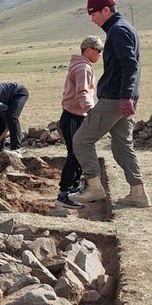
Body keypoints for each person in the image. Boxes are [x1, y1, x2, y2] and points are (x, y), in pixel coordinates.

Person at [70, 0, 151, 208]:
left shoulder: (118, 30)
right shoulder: (123, 28)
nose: (92, 19)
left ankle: (94, 187)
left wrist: (126, 96)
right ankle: (138, 193)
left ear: (106, 10)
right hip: (123, 98)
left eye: (94, 14)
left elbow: (130, 64)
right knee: (122, 146)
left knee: (81, 139)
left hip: (116, 99)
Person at [56, 35, 103, 209]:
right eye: (98, 51)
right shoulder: (83, 68)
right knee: (75, 154)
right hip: (75, 116)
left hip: (74, 115)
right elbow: (82, 93)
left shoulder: (82, 66)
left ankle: (74, 189)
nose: (99, 54)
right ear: (89, 50)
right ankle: (64, 194)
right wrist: (92, 112)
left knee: (77, 153)